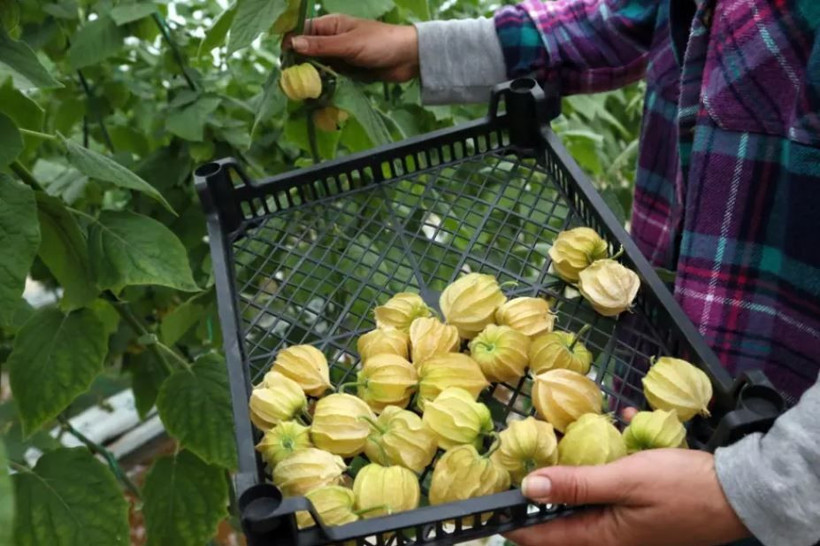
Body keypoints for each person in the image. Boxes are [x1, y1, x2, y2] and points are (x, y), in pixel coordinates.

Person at [286, 2, 820, 545]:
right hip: (669, 366)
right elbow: (631, 16)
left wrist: (766, 486)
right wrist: (424, 48)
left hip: (786, 443)